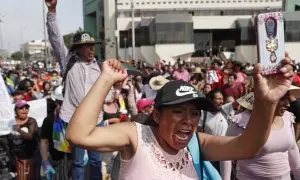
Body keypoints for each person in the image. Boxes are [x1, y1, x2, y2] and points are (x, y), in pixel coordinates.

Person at [67, 58, 294, 179]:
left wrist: (267, 101)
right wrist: (106, 79)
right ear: (156, 115)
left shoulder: (197, 143)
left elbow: (248, 147)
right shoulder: (135, 136)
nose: (188, 120)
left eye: (194, 113)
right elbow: (78, 134)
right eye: (178, 111)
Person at [45, 0, 104, 179]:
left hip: (96, 120)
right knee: (77, 162)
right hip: (74, 119)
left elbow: (106, 94)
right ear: (78, 48)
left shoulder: (101, 67)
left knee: (96, 161)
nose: (92, 49)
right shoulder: (68, 62)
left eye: (93, 45)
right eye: (88, 46)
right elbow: (55, 38)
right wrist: (52, 11)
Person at [222, 90, 300, 180]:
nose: (288, 104)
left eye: (288, 98)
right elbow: (226, 154)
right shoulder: (241, 121)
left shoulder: (287, 117)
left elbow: (293, 149)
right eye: (282, 99)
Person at [40, 86, 72, 180]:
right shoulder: (49, 120)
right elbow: (44, 141)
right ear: (56, 102)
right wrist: (45, 161)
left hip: (74, 158)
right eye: (60, 102)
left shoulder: (75, 117)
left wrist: (85, 152)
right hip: (57, 159)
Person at [9, 100, 39, 180]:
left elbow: (30, 136)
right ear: (15, 110)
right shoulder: (11, 122)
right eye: (21, 108)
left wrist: (19, 130)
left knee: (30, 178)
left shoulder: (32, 121)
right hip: (16, 159)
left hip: (30, 158)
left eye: (26, 107)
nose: (24, 109)